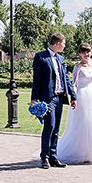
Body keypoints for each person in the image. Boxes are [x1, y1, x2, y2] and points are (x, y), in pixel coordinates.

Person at [30, 32, 76, 169]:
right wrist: (34, 98)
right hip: (47, 98)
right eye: (63, 43)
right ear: (57, 43)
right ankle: (44, 157)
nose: (64, 46)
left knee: (56, 128)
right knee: (49, 126)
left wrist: (73, 96)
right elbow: (36, 79)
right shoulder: (41, 57)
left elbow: (66, 79)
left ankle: (53, 157)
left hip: (59, 97)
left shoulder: (61, 59)